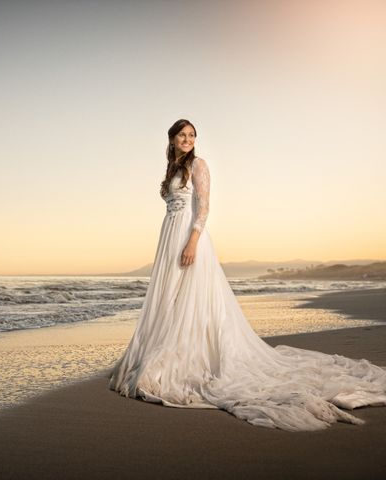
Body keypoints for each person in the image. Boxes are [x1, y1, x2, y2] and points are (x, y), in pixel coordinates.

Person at [108, 118, 386, 431]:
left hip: (189, 236)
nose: (187, 139)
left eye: (191, 135)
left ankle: (192, 355)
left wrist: (193, 241)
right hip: (169, 236)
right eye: (181, 135)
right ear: (171, 139)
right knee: (171, 299)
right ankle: (165, 348)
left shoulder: (198, 164)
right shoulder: (173, 168)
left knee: (192, 299)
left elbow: (204, 207)